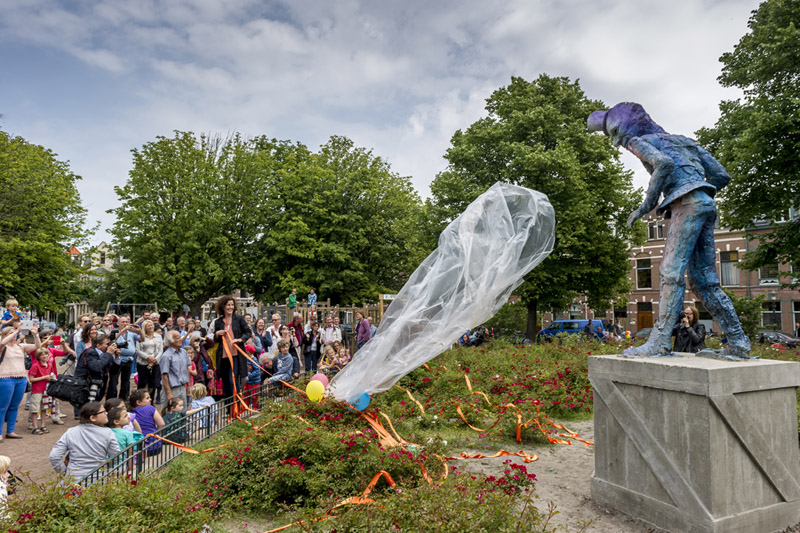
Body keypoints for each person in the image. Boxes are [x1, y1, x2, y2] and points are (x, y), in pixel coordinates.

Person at [588, 102, 750, 358]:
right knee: (704, 281)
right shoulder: (684, 141)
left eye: (615, 134)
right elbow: (721, 175)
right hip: (707, 205)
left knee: (670, 273)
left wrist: (646, 206)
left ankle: (660, 342)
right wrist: (700, 193)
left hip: (687, 205)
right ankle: (739, 343)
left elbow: (662, 163)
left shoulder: (638, 140)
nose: (617, 143)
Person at [49, 402, 120, 482]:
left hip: (73, 479)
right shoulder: (107, 433)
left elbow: (54, 456)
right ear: (93, 418)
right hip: (98, 479)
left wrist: (64, 473)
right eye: (103, 412)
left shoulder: (70, 432)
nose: (106, 413)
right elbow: (116, 456)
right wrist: (106, 468)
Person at [0, 320, 40, 440]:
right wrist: (16, 330)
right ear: (4, 335)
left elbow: (37, 346)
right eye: (10, 333)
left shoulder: (20, 346)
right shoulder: (3, 347)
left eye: (15, 333)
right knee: (2, 407)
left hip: (21, 379)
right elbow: (3, 342)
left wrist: (35, 335)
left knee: (14, 406)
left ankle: (10, 431)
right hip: (6, 379)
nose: (14, 334)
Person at [211, 295, 251, 399]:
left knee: (232, 380)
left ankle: (236, 404)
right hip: (223, 356)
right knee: (225, 383)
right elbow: (216, 340)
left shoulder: (239, 319)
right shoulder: (218, 322)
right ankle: (228, 406)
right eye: (228, 305)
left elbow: (248, 332)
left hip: (235, 355)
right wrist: (217, 334)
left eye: (232, 305)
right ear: (223, 307)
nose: (230, 307)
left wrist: (240, 339)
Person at [75, 334, 120, 405]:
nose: (110, 346)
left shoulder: (106, 354)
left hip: (96, 386)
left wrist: (117, 357)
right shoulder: (90, 352)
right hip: (85, 387)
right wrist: (108, 354)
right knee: (85, 407)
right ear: (98, 346)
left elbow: (114, 372)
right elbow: (96, 367)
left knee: (93, 406)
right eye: (107, 344)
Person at [107, 314, 141, 401]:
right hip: (117, 359)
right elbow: (112, 339)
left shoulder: (131, 333)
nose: (125, 323)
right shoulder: (114, 331)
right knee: (114, 380)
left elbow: (141, 339)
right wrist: (123, 330)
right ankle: (111, 399)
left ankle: (124, 398)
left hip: (129, 359)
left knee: (126, 381)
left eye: (126, 322)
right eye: (123, 322)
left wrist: (140, 331)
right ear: (118, 323)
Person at [160, 330, 192, 412]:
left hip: (182, 387)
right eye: (177, 338)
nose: (180, 339)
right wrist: (169, 393)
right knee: (170, 414)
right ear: (170, 341)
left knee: (183, 412)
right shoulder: (166, 356)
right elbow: (164, 375)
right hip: (172, 389)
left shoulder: (183, 352)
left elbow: (187, 370)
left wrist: (188, 386)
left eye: (180, 337)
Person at [27, 348, 55, 435]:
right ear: (38, 357)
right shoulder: (35, 366)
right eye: (42, 355)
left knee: (44, 408)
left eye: (46, 354)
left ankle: (43, 425)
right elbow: (31, 379)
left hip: (46, 390)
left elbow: (51, 375)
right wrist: (44, 377)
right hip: (37, 390)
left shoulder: (49, 365)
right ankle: (35, 427)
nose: (44, 356)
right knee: (35, 409)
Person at [129, 389, 164, 456]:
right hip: (155, 446)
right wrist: (158, 434)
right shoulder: (150, 408)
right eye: (147, 398)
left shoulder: (131, 414)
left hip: (140, 449)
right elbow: (161, 424)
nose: (150, 399)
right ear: (138, 402)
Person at [135, 320, 163, 400]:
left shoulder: (158, 336)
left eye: (151, 325)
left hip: (155, 363)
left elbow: (160, 350)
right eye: (148, 326)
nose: (150, 327)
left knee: (153, 383)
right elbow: (138, 350)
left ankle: (151, 401)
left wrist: (155, 360)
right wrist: (148, 357)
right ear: (145, 327)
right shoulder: (140, 336)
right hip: (143, 363)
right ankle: (140, 400)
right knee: (142, 383)